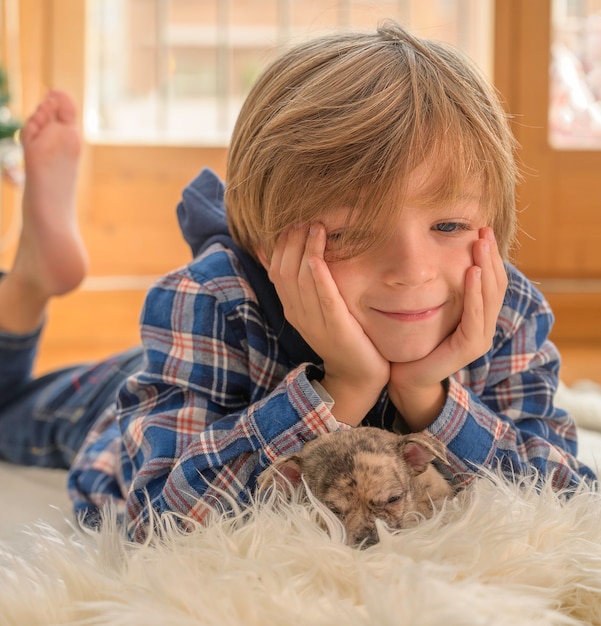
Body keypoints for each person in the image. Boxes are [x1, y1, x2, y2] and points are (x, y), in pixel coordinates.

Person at [0, 22, 595, 542]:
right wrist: (341, 390)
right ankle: (28, 280)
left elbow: (560, 497)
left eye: (448, 224)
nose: (413, 270)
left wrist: (428, 396)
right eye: (349, 234)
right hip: (184, 379)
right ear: (268, 241)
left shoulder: (506, 306)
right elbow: (161, 518)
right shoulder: (209, 302)